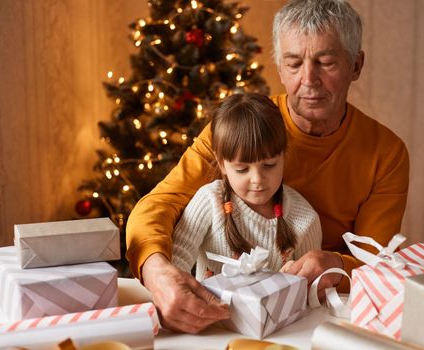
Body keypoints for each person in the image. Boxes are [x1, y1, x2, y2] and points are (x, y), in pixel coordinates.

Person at [126, 0, 409, 334]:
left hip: (323, 312)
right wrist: (158, 272)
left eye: (326, 62)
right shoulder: (239, 132)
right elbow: (158, 204)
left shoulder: (387, 153)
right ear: (279, 68)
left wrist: (336, 263)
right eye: (293, 63)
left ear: (356, 65)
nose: (309, 79)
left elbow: (378, 263)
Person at [170, 93, 322, 281]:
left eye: (269, 165)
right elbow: (175, 263)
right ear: (222, 164)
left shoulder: (304, 219)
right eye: (242, 169)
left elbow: (311, 287)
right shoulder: (210, 201)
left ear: (283, 156)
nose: (257, 179)